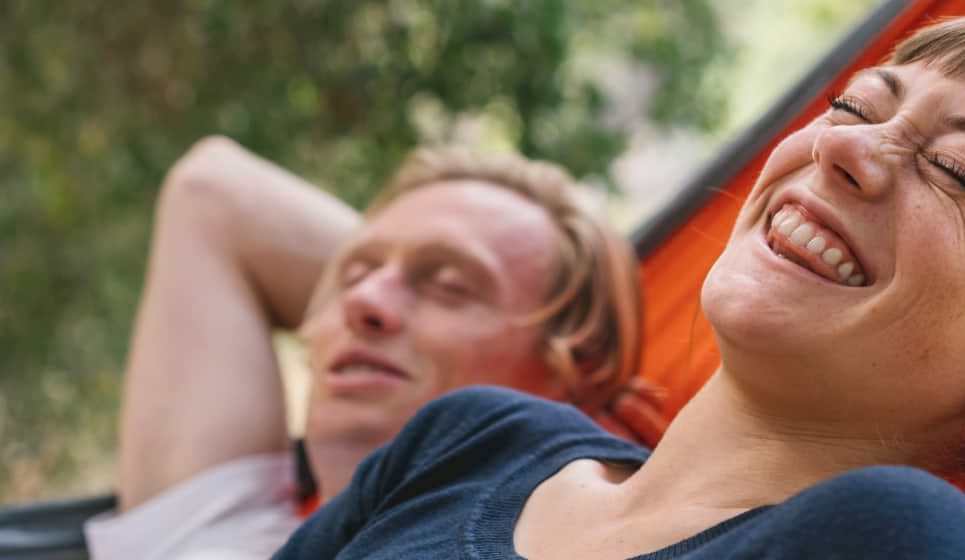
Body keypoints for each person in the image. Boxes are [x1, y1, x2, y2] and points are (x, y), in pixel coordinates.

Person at [274, 13, 965, 559]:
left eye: (962, 176)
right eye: (855, 105)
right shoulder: (472, 435)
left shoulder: (890, 544)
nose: (846, 151)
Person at [84, 140, 657, 559]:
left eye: (451, 287)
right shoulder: (215, 540)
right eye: (351, 277)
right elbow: (210, 192)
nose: (362, 304)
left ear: (575, 368)